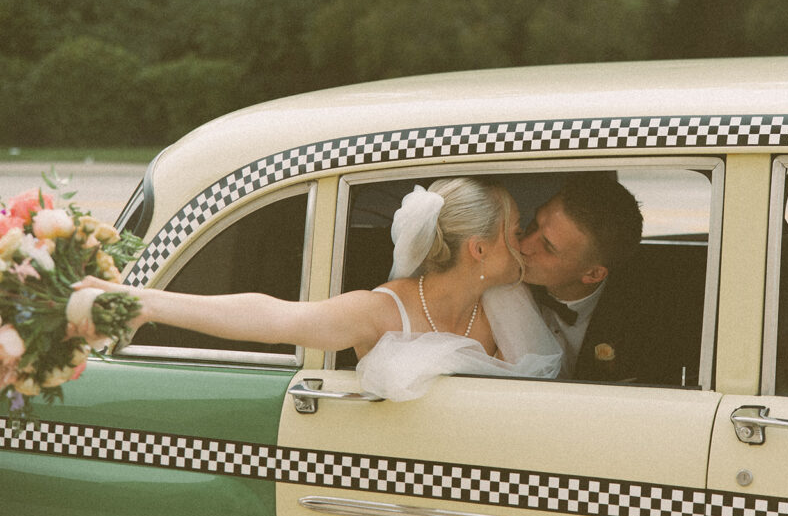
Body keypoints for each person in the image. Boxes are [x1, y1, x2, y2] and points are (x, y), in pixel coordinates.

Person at [75, 177, 563, 400]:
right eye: (517, 228)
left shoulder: (504, 303)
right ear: (478, 250)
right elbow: (273, 317)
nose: (524, 243)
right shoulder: (380, 310)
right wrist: (143, 302)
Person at [519, 175, 684, 384]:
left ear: (593, 274)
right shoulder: (501, 282)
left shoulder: (646, 328)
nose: (523, 245)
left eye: (548, 247)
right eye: (534, 224)